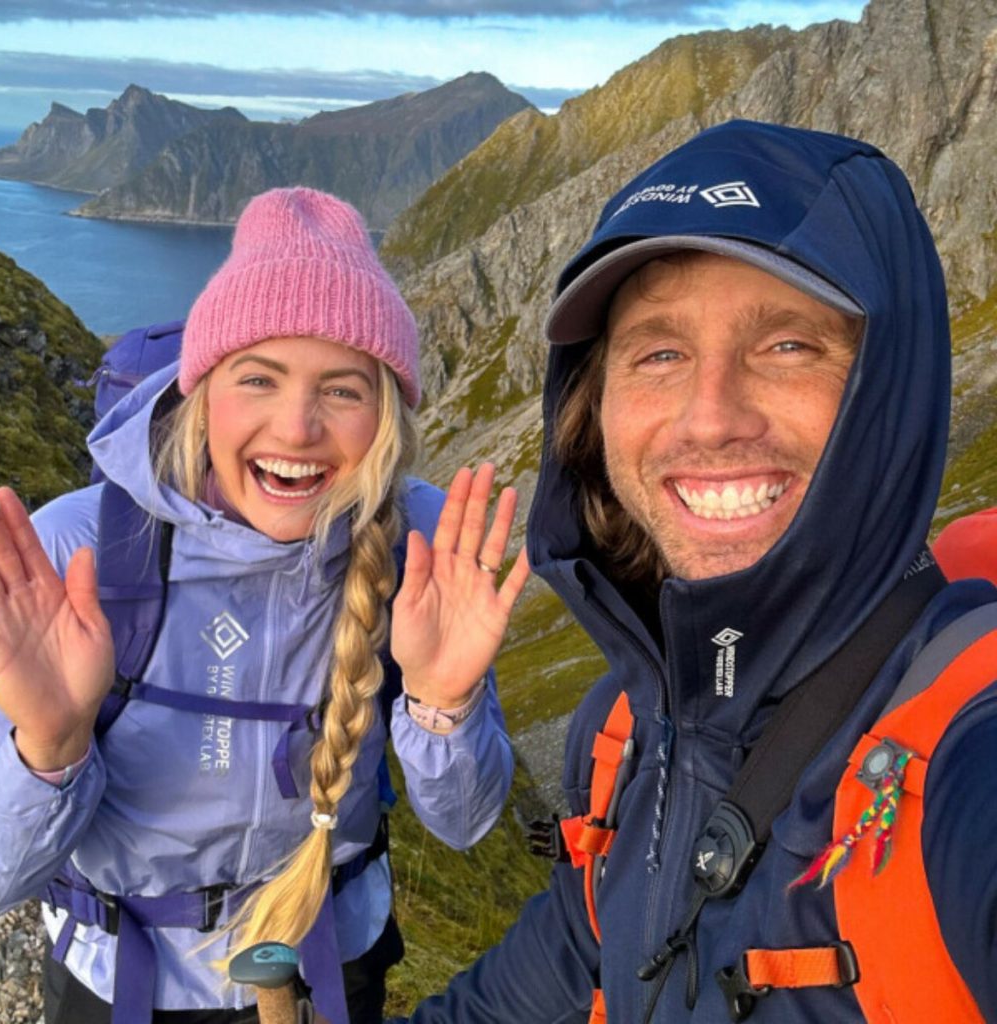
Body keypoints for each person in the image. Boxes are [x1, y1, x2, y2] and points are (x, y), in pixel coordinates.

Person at [391, 120, 997, 1022]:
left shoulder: (964, 748)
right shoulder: (628, 735)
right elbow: (527, 993)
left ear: (889, 387)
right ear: (594, 402)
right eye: (661, 353)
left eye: (789, 344)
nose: (710, 418)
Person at [0, 187, 529, 1024]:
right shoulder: (75, 554)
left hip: (329, 966)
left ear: (386, 413)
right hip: (123, 984)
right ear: (203, 393)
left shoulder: (421, 546)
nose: (297, 427)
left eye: (343, 390)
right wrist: (48, 748)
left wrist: (443, 703)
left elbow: (465, 824)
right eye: (258, 378)